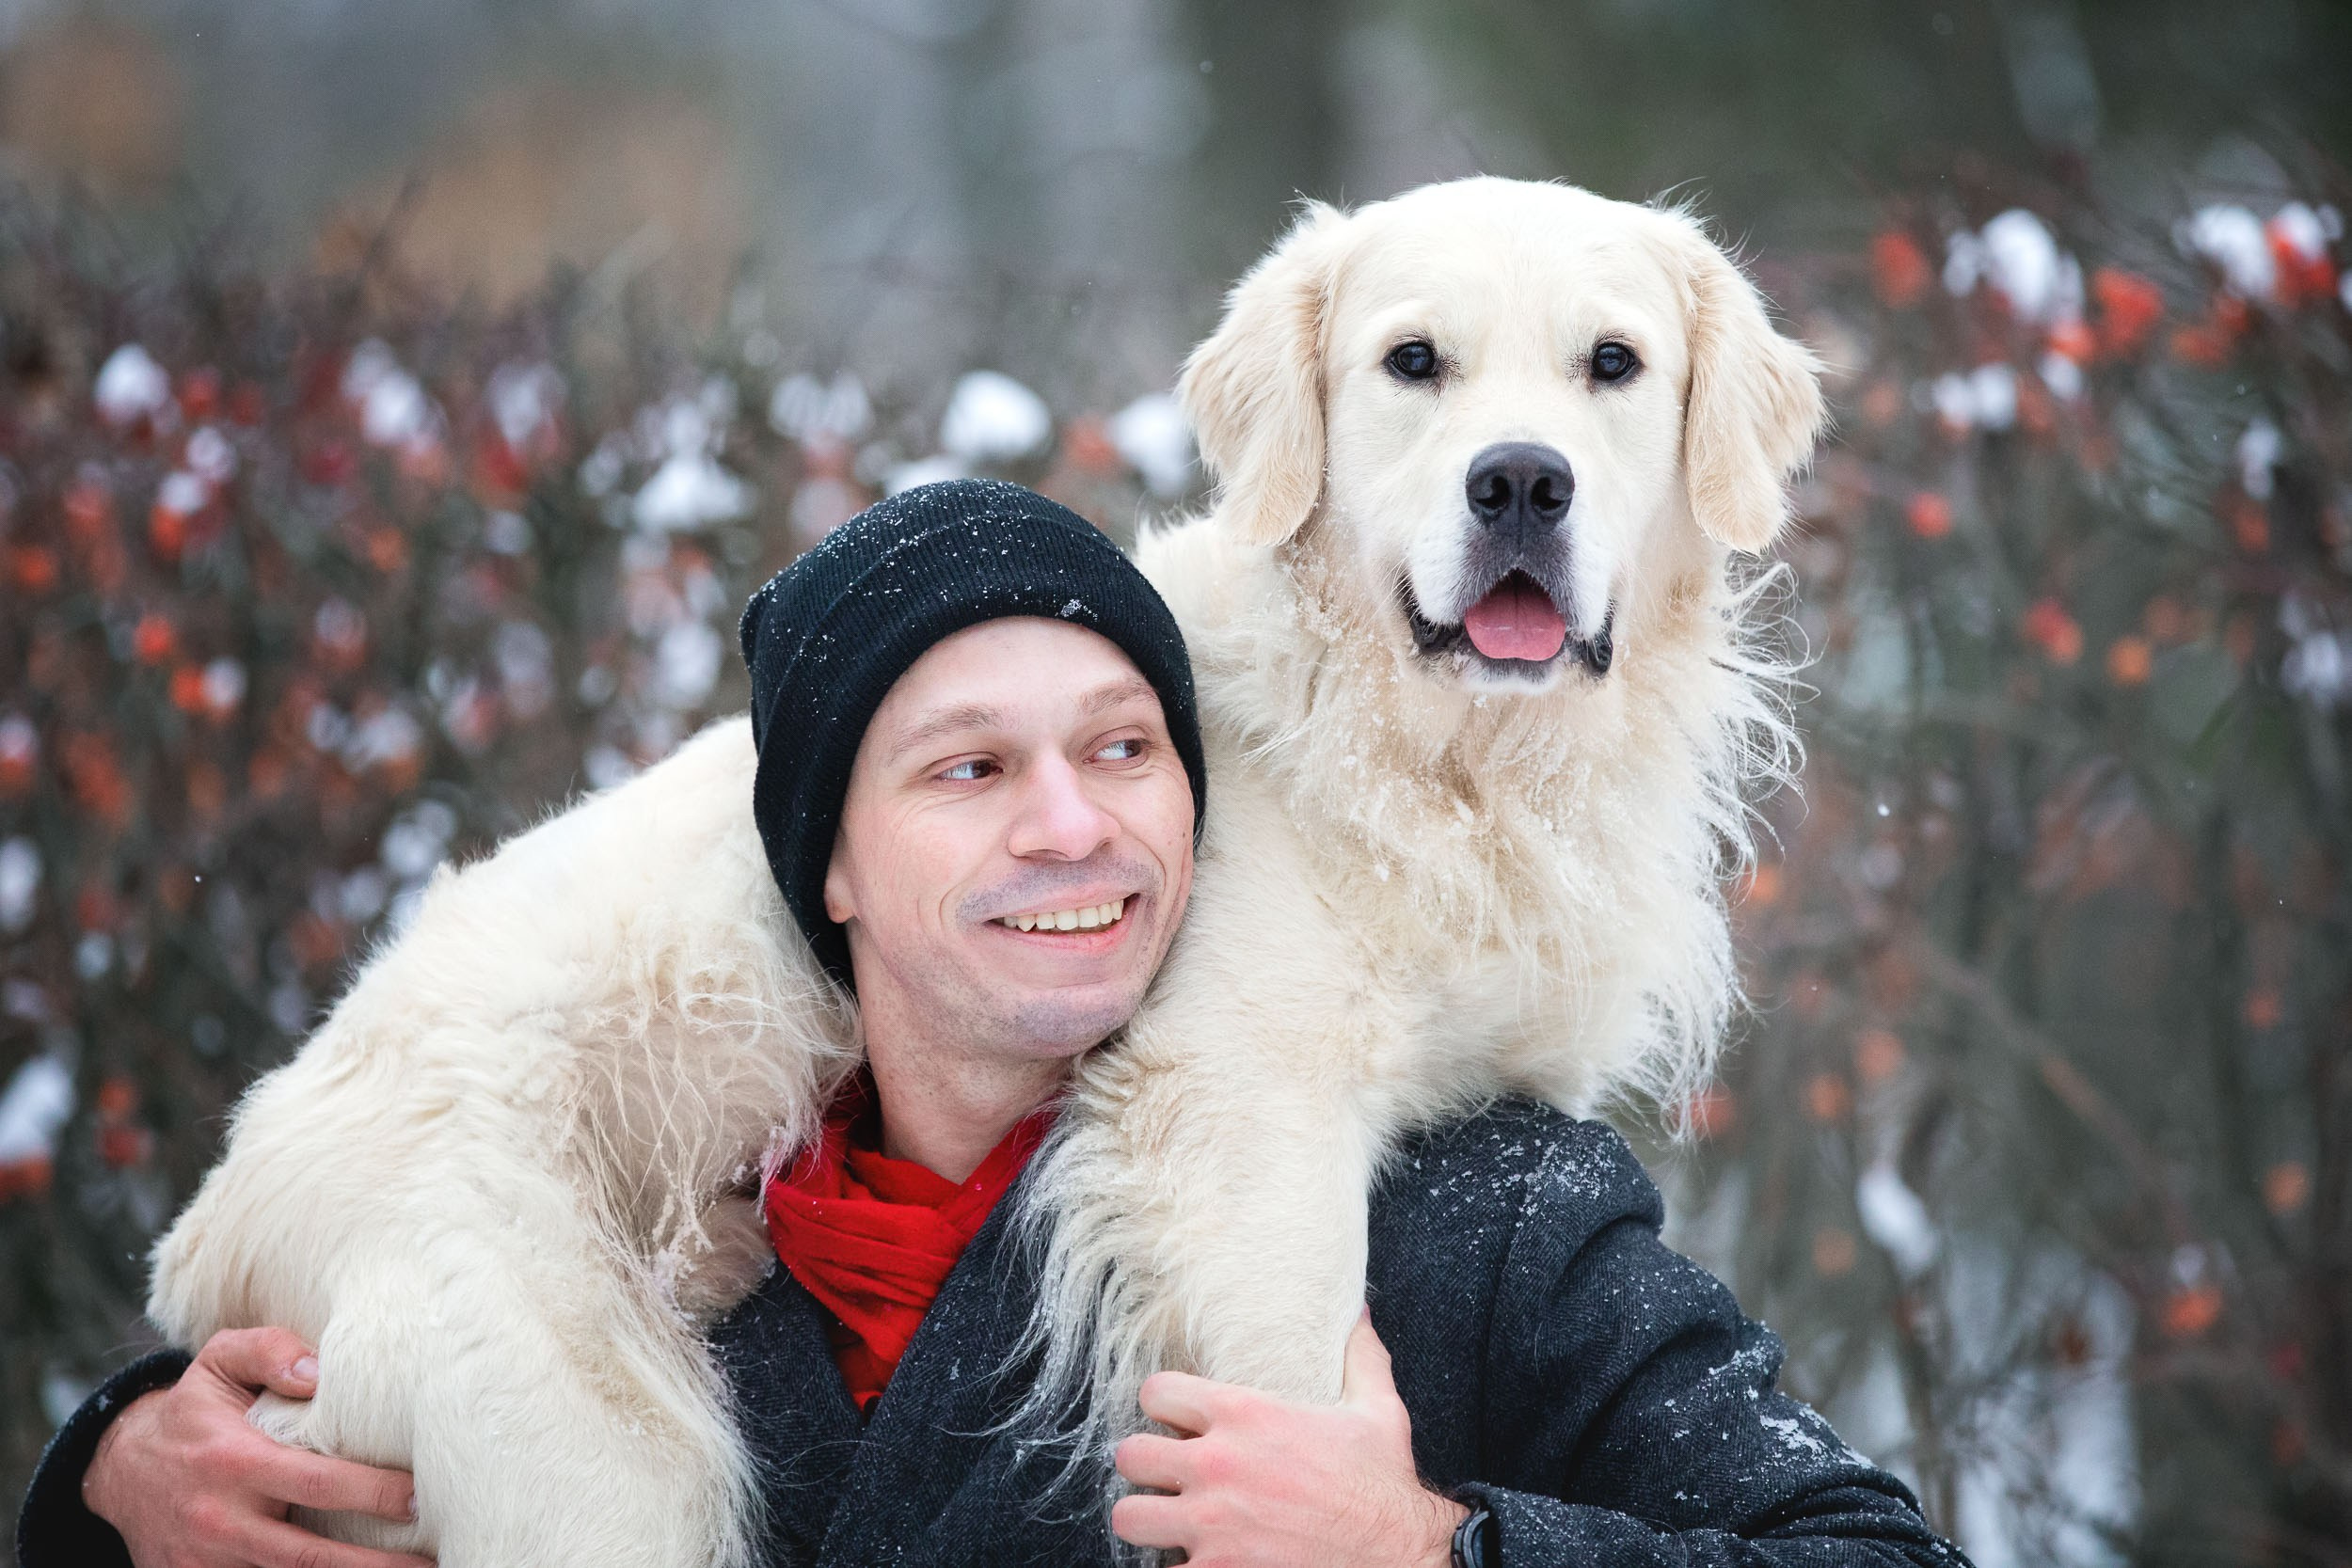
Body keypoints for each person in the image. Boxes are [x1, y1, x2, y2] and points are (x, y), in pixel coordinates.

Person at [19, 481, 1969, 1568]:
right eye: (965, 772)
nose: (1071, 824)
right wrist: (108, 1492)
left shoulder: (1476, 1223)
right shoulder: (647, 1256)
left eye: (1126, 748)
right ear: (827, 869)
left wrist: (1431, 1555)